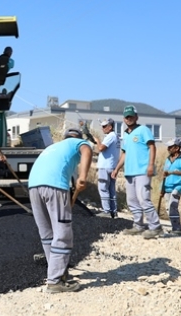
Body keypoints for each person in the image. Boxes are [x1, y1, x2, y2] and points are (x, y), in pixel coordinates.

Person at [28, 128, 92, 293]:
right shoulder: (77, 143)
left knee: (47, 234)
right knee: (63, 234)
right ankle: (55, 281)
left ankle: (57, 272)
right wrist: (83, 177)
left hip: (34, 186)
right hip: (54, 186)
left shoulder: (53, 148)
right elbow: (87, 149)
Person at [111, 105, 163, 239]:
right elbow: (124, 153)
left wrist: (151, 165)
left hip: (142, 170)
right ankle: (138, 225)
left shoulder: (143, 130)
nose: (129, 119)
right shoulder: (126, 135)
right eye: (126, 117)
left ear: (136, 117)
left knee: (143, 198)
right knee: (132, 201)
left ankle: (155, 226)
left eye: (131, 116)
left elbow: (152, 147)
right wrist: (117, 169)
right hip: (129, 172)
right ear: (124, 119)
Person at [162, 138, 181, 236]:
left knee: (172, 205)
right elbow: (164, 175)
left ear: (177, 148)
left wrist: (172, 172)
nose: (168, 149)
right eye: (168, 147)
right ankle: (175, 228)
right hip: (167, 186)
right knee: (168, 208)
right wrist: (162, 189)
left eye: (170, 147)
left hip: (178, 186)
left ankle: (177, 229)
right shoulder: (168, 159)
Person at [95, 118, 120, 218]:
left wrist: (97, 141)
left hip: (105, 166)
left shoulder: (110, 136)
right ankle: (113, 211)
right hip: (112, 166)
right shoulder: (116, 136)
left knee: (103, 188)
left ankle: (106, 211)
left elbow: (101, 148)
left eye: (105, 126)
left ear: (110, 127)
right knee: (111, 189)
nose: (102, 128)